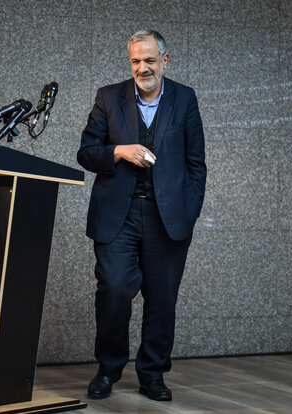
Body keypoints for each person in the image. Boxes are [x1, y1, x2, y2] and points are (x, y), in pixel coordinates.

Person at [77, 30, 206, 402]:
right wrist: (118, 150)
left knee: (162, 298)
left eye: (150, 60)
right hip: (119, 214)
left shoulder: (185, 99)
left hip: (169, 216)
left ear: (165, 60)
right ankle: (109, 368)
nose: (142, 68)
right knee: (114, 289)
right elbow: (87, 153)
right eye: (136, 61)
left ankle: (152, 374)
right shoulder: (108, 97)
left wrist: (190, 211)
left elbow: (196, 164)